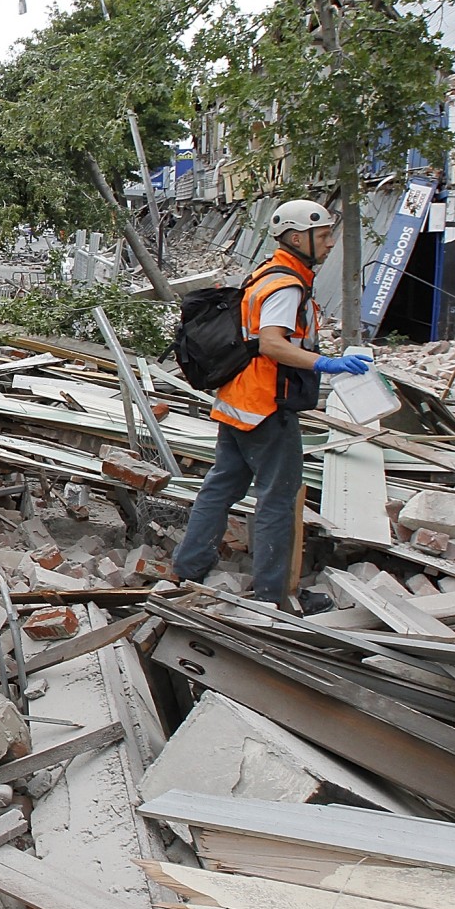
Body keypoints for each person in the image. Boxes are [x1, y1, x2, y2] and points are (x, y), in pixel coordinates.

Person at [172, 199, 371, 610]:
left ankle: (188, 568)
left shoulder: (268, 273)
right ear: (299, 238)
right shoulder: (286, 285)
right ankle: (275, 597)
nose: (331, 243)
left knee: (221, 487)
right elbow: (272, 343)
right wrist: (326, 363)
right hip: (266, 408)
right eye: (325, 235)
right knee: (278, 500)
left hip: (239, 401)